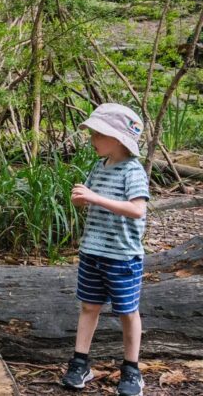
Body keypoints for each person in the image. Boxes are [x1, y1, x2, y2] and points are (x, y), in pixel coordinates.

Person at [61, 103, 149, 396]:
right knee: (89, 306)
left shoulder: (132, 171)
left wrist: (95, 198)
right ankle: (80, 362)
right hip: (93, 251)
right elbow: (88, 196)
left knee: (127, 311)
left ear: (118, 139)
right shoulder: (100, 166)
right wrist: (81, 199)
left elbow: (137, 210)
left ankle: (132, 368)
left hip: (122, 256)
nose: (92, 139)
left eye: (98, 134)